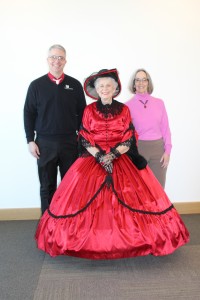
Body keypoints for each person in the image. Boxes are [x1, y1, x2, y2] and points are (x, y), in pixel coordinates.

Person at [35, 68, 189, 259]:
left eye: (108, 85)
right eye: (101, 86)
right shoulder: (89, 110)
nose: (104, 89)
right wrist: (100, 157)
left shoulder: (124, 109)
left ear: (115, 88)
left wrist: (113, 155)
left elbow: (129, 136)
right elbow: (85, 138)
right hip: (93, 158)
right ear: (96, 89)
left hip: (120, 157)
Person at [24, 44, 86, 215]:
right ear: (47, 60)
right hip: (44, 143)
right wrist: (30, 140)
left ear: (65, 61)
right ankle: (47, 225)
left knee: (71, 187)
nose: (56, 61)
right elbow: (28, 113)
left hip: (70, 143)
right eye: (53, 57)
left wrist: (82, 140)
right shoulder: (36, 86)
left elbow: (83, 114)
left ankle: (67, 224)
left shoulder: (74, 85)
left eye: (60, 57)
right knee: (47, 187)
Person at [126, 69, 172, 188]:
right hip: (139, 149)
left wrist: (167, 151)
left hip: (158, 150)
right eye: (137, 80)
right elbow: (126, 134)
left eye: (144, 79)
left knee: (158, 188)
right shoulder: (127, 106)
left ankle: (158, 208)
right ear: (134, 83)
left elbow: (166, 129)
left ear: (148, 82)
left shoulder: (159, 103)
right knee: (139, 188)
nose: (141, 83)